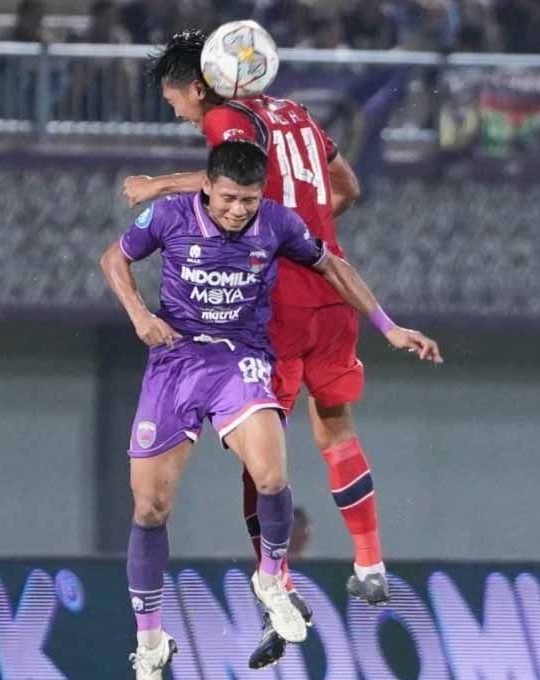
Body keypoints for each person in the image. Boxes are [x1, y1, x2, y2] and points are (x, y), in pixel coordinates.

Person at [100, 140, 442, 679]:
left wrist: (389, 328)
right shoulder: (168, 216)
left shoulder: (277, 223)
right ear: (207, 187)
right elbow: (113, 258)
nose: (239, 210)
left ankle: (272, 577)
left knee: (271, 472)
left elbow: (333, 266)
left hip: (241, 358)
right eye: (230, 198)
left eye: (250, 200)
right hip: (175, 361)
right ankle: (151, 641)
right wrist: (140, 315)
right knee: (149, 509)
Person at [121, 27, 395, 667]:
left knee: (258, 451)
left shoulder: (228, 117)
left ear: (198, 86)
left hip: (272, 305)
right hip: (332, 290)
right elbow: (347, 189)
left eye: (175, 101)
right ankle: (370, 563)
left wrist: (161, 185)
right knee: (335, 430)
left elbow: (230, 181)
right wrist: (302, 228)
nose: (180, 113)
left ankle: (279, 588)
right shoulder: (297, 112)